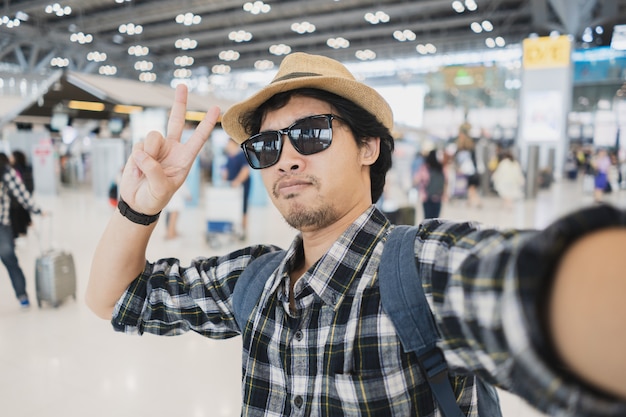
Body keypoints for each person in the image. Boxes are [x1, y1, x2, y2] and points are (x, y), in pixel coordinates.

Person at [86, 53, 626, 416]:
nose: (287, 159)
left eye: (312, 133)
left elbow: (536, 289)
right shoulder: (253, 282)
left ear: (369, 147)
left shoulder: (421, 272)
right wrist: (139, 207)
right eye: (268, 146)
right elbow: (113, 299)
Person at [0, 153, 43, 308]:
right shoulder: (5, 170)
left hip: (2, 225)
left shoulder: (5, 171)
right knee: (11, 262)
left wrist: (37, 210)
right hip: (2, 225)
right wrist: (37, 210)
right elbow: (22, 194)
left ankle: (22, 295)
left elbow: (21, 194)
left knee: (10, 261)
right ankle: (22, 296)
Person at [222, 137, 251, 239]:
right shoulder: (230, 156)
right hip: (232, 188)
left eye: (228, 143)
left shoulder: (241, 154)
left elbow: (245, 171)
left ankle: (243, 232)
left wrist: (237, 181)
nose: (227, 145)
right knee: (232, 207)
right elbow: (226, 169)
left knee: (242, 208)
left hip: (241, 186)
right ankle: (232, 230)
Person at [454, 125, 482, 207]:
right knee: (470, 189)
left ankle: (478, 202)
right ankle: (469, 202)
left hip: (470, 172)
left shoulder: (462, 151)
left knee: (471, 189)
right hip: (471, 172)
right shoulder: (470, 149)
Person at [414, 149, 446, 219]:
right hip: (438, 196)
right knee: (435, 219)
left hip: (426, 196)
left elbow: (417, 179)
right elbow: (446, 181)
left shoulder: (425, 167)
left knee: (427, 219)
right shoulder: (441, 168)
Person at [9, 150, 34, 238]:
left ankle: (20, 233)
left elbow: (17, 186)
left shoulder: (14, 170)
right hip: (24, 196)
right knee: (22, 214)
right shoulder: (26, 167)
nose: (10, 158)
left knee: (17, 216)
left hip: (17, 199)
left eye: (11, 156)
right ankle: (24, 230)